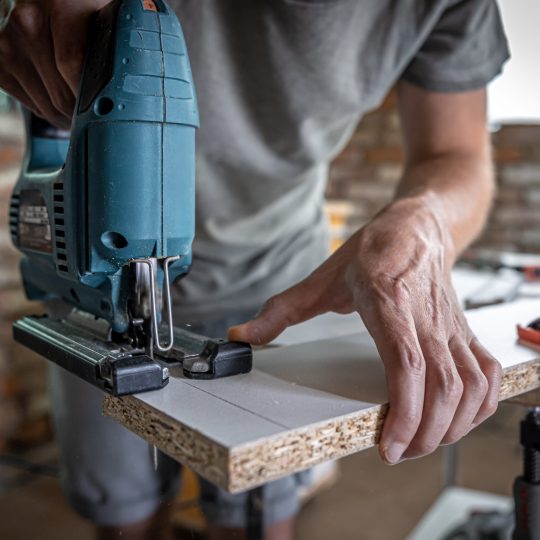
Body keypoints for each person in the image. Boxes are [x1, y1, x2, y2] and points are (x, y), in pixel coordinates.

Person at [0, 0, 510, 539]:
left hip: (281, 291)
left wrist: (423, 219)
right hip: (92, 302)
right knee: (124, 519)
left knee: (256, 518)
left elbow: (455, 153)